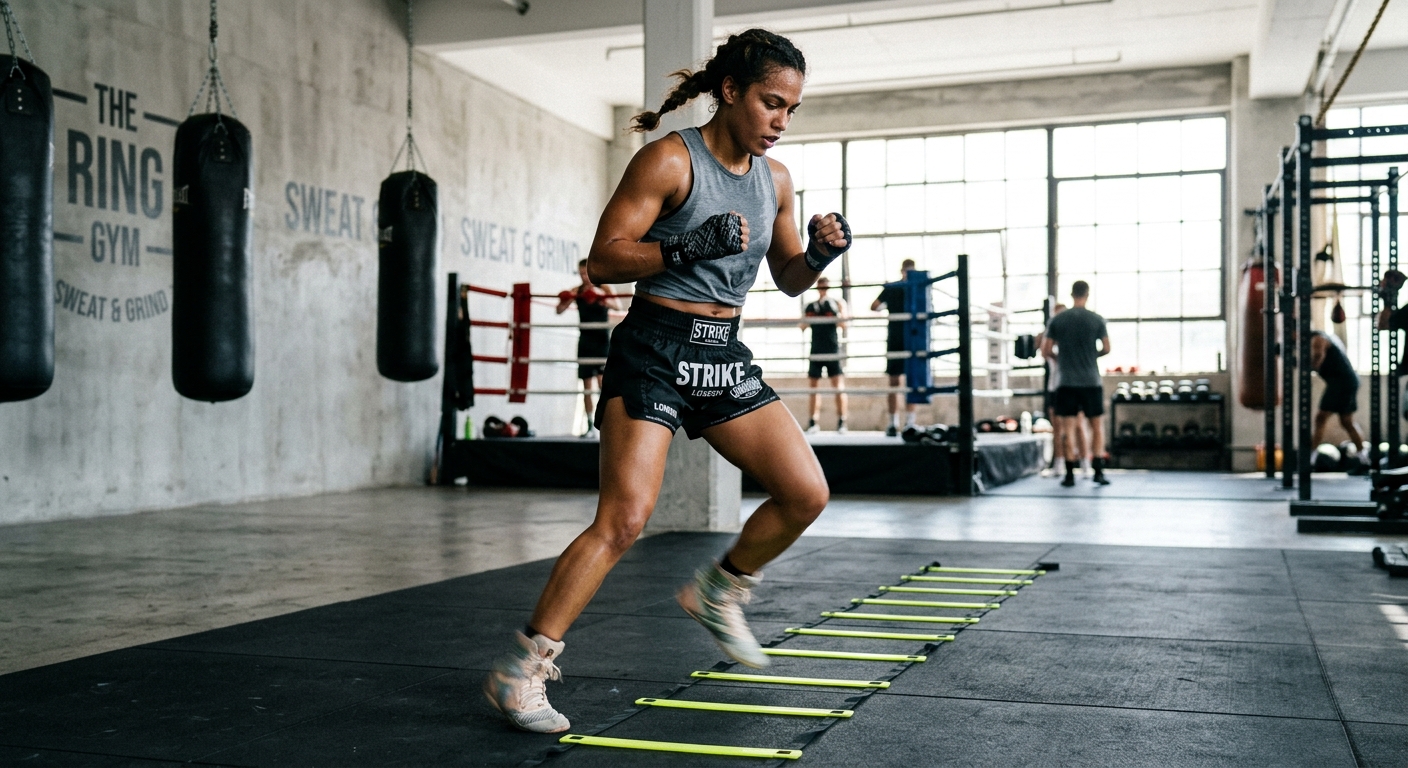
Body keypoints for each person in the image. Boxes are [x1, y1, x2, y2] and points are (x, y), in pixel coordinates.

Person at [483, 29, 851, 734]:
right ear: (733, 91)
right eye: (772, 102)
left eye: (792, 109)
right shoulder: (668, 160)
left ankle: (721, 589)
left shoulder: (774, 180)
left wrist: (823, 256)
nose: (780, 120)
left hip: (721, 354)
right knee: (624, 517)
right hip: (653, 346)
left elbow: (787, 277)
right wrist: (682, 243)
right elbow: (603, 260)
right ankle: (520, 670)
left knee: (807, 492)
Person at [1042, 280, 1110, 487]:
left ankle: (1070, 474)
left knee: (1068, 428)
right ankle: (1097, 471)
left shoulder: (1058, 319)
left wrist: (1059, 360)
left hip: (1066, 381)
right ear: (1087, 294)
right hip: (1090, 380)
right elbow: (1107, 348)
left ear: (1071, 294)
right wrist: (1091, 357)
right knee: (1096, 427)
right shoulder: (1096, 319)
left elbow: (1046, 350)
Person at [557, 259, 621, 438]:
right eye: (581, 273)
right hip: (585, 341)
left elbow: (618, 305)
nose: (584, 277)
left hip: (601, 340)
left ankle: (607, 424)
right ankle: (590, 425)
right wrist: (566, 298)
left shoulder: (605, 288)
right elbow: (559, 310)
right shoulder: (577, 291)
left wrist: (600, 296)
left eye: (586, 273)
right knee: (586, 386)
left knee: (603, 384)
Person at [1036, 302, 1086, 476]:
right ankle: (1059, 464)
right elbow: (1040, 348)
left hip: (1072, 384)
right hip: (1055, 387)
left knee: (1078, 425)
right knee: (1057, 428)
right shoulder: (1050, 337)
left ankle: (1085, 464)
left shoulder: (1071, 337)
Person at [871, 259, 917, 437]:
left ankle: (901, 423)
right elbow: (875, 306)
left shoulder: (901, 288)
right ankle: (898, 423)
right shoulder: (904, 288)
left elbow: (875, 306)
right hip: (906, 338)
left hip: (905, 338)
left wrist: (886, 305)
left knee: (904, 382)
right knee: (898, 382)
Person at [801, 276, 848, 434]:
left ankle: (842, 421)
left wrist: (836, 312)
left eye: (825, 287)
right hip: (816, 349)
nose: (823, 290)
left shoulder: (837, 303)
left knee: (838, 387)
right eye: (821, 287)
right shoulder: (811, 305)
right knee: (814, 388)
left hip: (833, 349)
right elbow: (802, 326)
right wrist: (811, 316)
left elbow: (844, 325)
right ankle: (813, 421)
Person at [1309, 329, 1366, 451]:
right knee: (1346, 421)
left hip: (1341, 382)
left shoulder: (1318, 339)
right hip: (1345, 382)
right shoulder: (1319, 338)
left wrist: (1303, 365)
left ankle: (1310, 458)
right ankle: (1364, 459)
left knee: (1321, 418)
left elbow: (1317, 359)